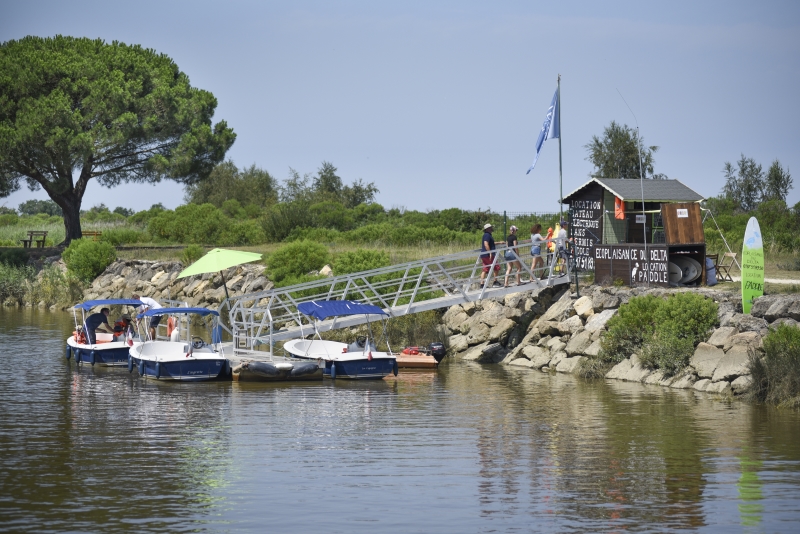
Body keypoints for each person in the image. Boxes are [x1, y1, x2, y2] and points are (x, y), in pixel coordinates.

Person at [479, 223, 503, 288]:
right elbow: (486, 244)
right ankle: (495, 282)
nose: (492, 228)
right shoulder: (487, 235)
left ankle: (482, 284)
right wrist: (490, 252)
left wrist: (499, 242)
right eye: (490, 227)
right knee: (496, 267)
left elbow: (491, 243)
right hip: (488, 255)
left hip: (484, 255)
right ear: (487, 229)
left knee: (485, 269)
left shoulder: (486, 235)